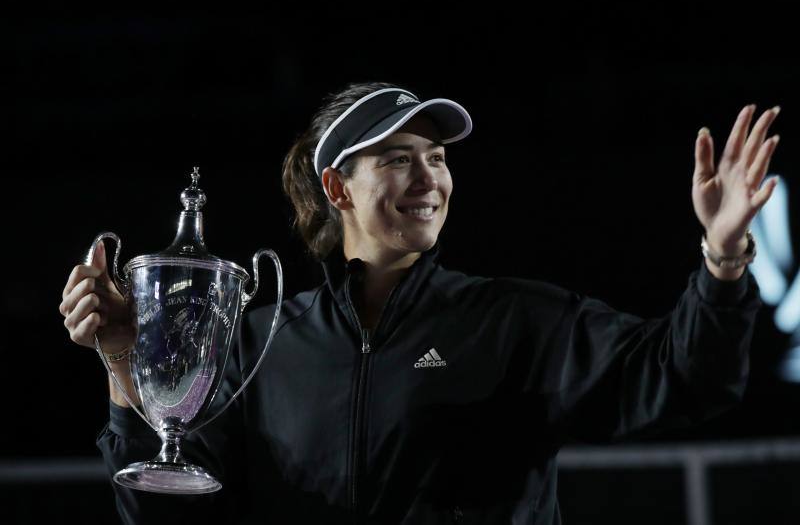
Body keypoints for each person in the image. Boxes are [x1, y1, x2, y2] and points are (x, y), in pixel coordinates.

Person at [60, 82, 777, 524]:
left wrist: (722, 258)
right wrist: (125, 360)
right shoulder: (259, 341)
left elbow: (686, 377)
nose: (428, 177)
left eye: (437, 157)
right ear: (339, 189)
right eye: (399, 157)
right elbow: (167, 515)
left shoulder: (512, 319)